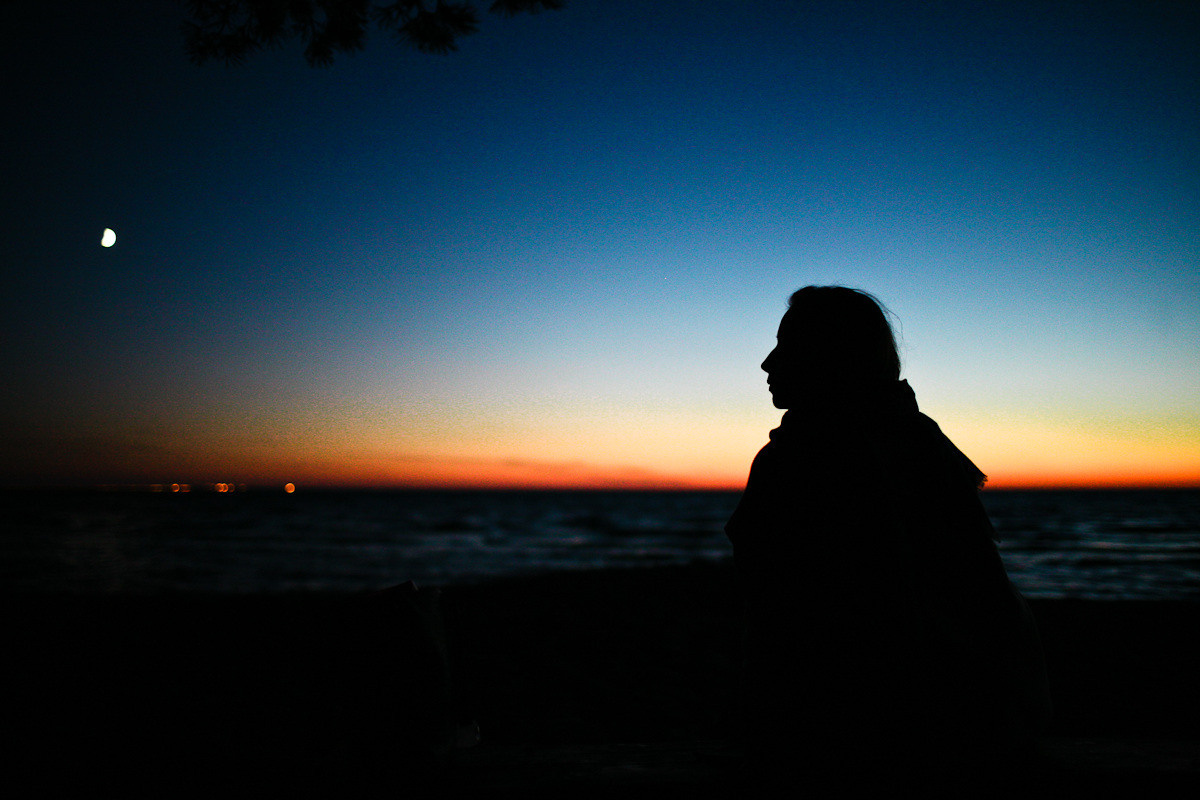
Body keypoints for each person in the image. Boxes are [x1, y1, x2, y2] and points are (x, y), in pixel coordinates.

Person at [725, 286, 1051, 791]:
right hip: (965, 727)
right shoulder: (911, 440)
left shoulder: (818, 455)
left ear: (831, 356)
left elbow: (829, 626)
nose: (767, 363)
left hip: (875, 744)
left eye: (786, 347)